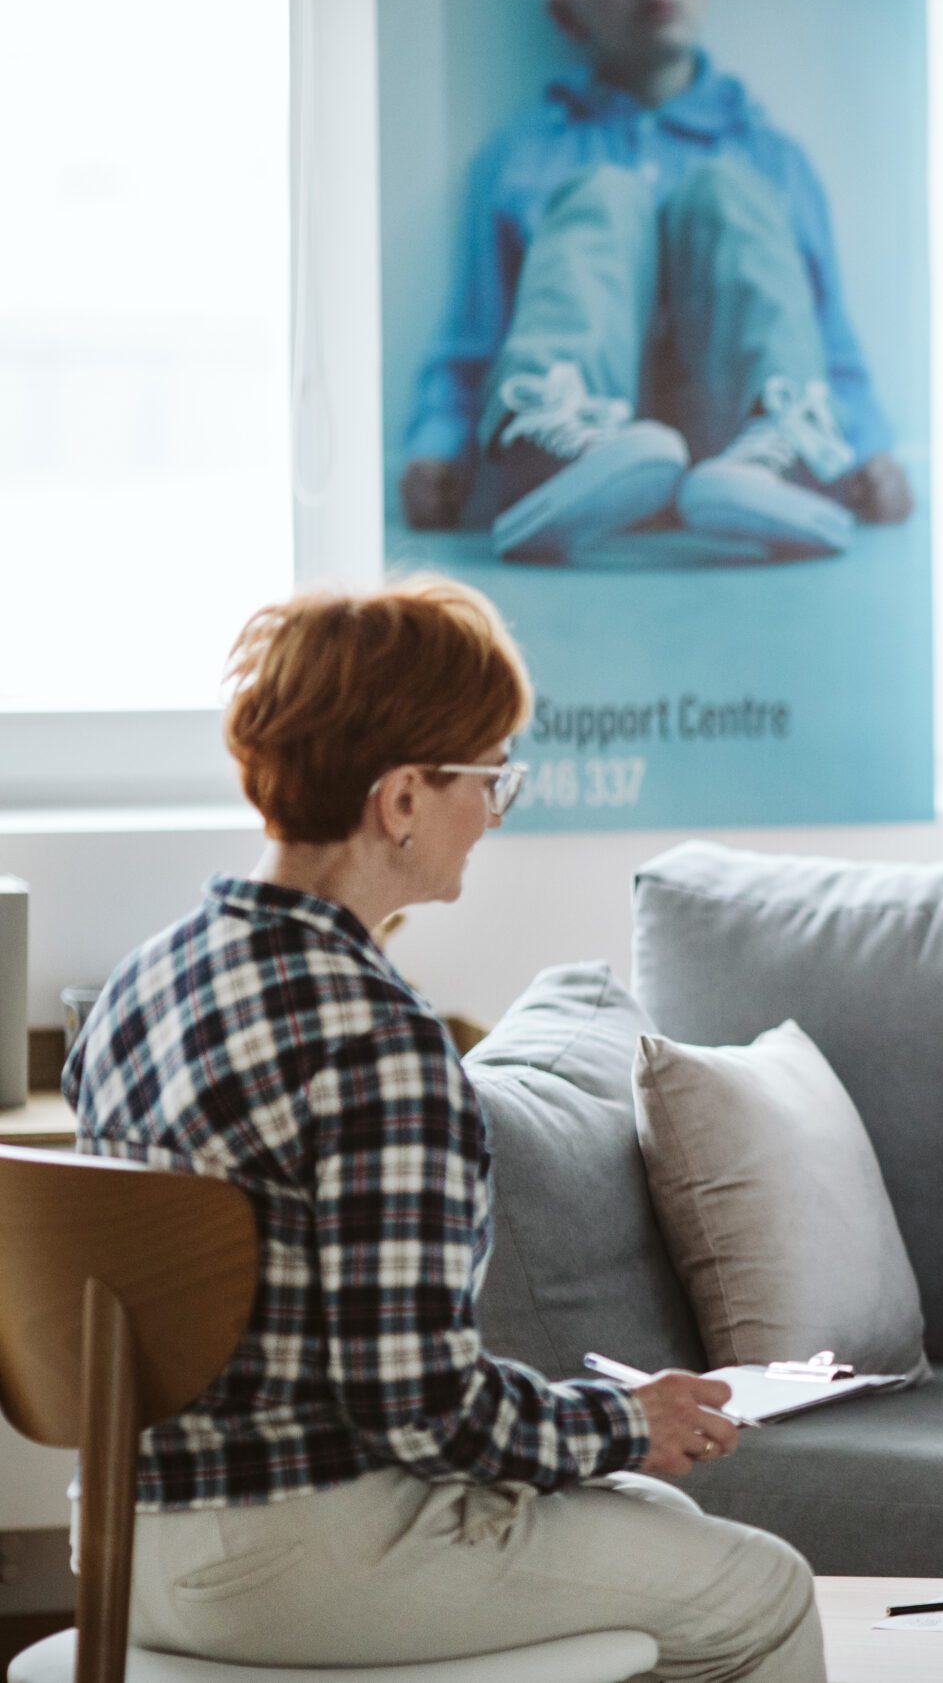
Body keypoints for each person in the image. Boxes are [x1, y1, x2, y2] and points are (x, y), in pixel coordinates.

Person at [64, 578, 821, 1680]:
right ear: (404, 798)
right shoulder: (376, 1040)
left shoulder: (140, 984)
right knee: (760, 1591)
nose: (498, 808)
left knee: (647, 1523)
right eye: (489, 776)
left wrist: (604, 1434)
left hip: (123, 1543)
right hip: (296, 1554)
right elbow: (417, 1412)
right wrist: (625, 1420)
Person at [398, 0, 912, 562]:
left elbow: (825, 332)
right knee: (603, 196)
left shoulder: (772, 159)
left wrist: (872, 447)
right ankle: (547, 459)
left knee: (729, 193)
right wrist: (436, 447)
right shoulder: (523, 158)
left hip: (737, 447)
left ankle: (787, 455)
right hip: (583, 445)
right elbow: (474, 333)